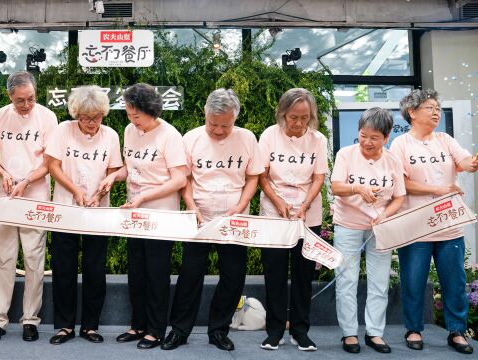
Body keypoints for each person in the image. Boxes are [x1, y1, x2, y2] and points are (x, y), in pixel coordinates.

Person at [161, 89, 263, 352]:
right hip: (200, 216)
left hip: (234, 217)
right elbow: (184, 178)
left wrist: (241, 206)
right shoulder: (191, 138)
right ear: (204, 114)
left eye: (225, 126)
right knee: (189, 275)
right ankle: (179, 330)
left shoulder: (247, 138)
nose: (218, 131)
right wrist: (192, 206)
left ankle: (218, 330)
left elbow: (253, 177)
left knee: (233, 276)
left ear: (235, 118)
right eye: (213, 124)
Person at [98, 83, 188, 349]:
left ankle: (156, 329)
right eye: (128, 114)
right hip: (133, 211)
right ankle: (138, 325)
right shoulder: (130, 130)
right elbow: (131, 167)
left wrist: (145, 197)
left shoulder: (170, 135)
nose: (132, 120)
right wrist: (114, 175)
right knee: (136, 271)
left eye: (136, 115)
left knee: (157, 273)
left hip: (160, 214)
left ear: (151, 111)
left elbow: (179, 179)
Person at [390, 89, 477, 354]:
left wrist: (472, 162)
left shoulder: (445, 139)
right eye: (430, 107)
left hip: (448, 225)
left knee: (454, 279)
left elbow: (464, 161)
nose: (436, 112)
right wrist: (438, 190)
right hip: (416, 225)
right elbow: (400, 182)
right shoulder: (401, 144)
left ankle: (457, 331)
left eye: (438, 108)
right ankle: (414, 329)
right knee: (413, 280)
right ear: (412, 113)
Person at [0, 71, 58, 342]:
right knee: (3, 257)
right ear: (9, 96)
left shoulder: (48, 117)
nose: (26, 105)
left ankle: (30, 319)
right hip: (5, 194)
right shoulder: (0, 116)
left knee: (34, 258)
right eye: (20, 100)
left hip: (35, 192)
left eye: (30, 99)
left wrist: (26, 181)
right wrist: (2, 173)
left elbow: (51, 161)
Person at [46, 86, 123, 345]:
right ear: (76, 114)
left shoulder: (110, 135)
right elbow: (53, 166)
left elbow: (115, 170)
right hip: (65, 209)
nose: (92, 123)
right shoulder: (62, 131)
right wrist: (75, 190)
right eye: (86, 118)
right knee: (63, 268)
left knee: (94, 269)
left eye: (97, 117)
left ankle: (90, 326)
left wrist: (101, 193)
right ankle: (65, 326)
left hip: (97, 211)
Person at [258, 88, 328, 351]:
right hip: (274, 214)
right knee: (274, 273)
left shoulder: (318, 140)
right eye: (293, 117)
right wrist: (279, 203)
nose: (299, 124)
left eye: (304, 118)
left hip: (307, 215)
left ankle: (300, 331)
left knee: (303, 274)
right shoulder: (268, 135)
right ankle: (274, 330)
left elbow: (318, 177)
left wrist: (304, 206)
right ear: (282, 114)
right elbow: (262, 175)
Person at [331, 107, 405, 354]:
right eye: (363, 135)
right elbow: (336, 187)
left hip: (380, 229)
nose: (367, 142)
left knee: (379, 282)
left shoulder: (393, 159)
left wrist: (385, 215)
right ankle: (349, 333)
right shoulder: (346, 154)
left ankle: (375, 333)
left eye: (374, 137)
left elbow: (399, 197)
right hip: (348, 226)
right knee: (346, 279)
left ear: (387, 137)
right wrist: (358, 189)